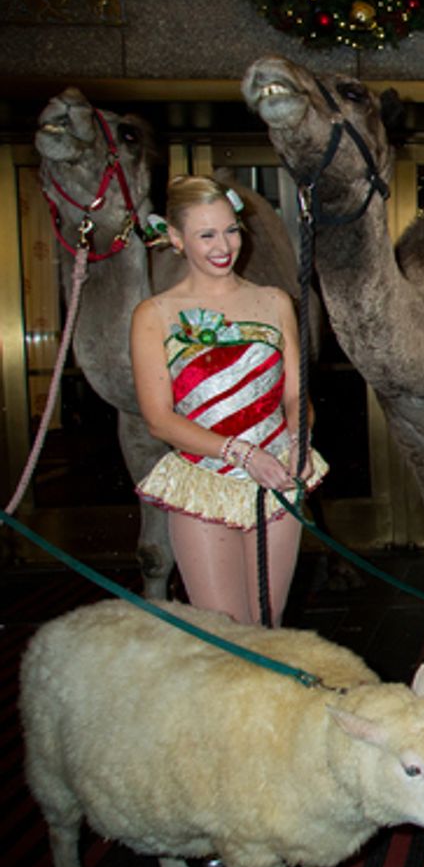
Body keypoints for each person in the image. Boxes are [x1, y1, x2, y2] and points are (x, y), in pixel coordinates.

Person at [131, 175, 327, 626]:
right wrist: (240, 453)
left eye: (231, 230)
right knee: (227, 633)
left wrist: (299, 443)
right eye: (206, 235)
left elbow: (296, 393)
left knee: (268, 625)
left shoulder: (276, 302)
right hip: (207, 479)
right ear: (176, 239)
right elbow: (158, 419)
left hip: (277, 480)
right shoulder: (155, 314)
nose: (224, 246)